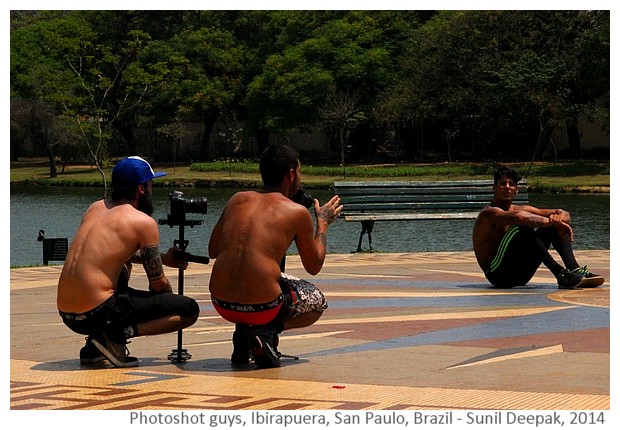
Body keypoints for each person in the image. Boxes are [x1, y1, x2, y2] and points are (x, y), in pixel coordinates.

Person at [57, 156, 200, 368]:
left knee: (123, 267)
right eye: (150, 184)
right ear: (141, 189)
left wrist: (162, 259)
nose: (152, 189)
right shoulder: (143, 222)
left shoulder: (95, 207)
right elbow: (158, 285)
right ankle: (117, 335)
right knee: (188, 310)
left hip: (68, 314)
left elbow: (110, 254)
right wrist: (167, 301)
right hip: (98, 312)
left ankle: (94, 346)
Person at [208, 144, 343, 368]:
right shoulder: (296, 212)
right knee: (317, 301)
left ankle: (244, 335)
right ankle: (265, 333)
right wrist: (323, 223)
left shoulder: (236, 199)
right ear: (291, 174)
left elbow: (212, 250)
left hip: (221, 303)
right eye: (299, 172)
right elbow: (314, 265)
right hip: (262, 308)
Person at [472, 165, 605, 290]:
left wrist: (558, 220)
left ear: (516, 190)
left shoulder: (521, 208)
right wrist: (552, 221)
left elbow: (562, 213)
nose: (507, 187)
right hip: (498, 276)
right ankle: (561, 274)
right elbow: (520, 218)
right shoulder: (488, 214)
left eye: (511, 184)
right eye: (502, 184)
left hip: (521, 275)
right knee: (522, 228)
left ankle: (574, 268)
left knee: (552, 226)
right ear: (493, 188)